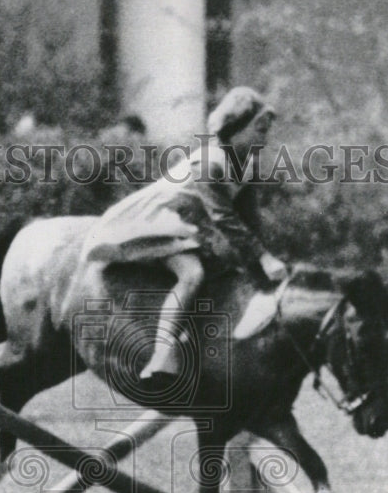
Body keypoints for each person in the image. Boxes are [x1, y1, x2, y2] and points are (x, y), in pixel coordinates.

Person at [81, 87, 289, 383]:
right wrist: (264, 258)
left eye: (266, 131)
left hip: (184, 225)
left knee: (224, 272)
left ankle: (197, 343)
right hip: (155, 220)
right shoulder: (210, 161)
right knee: (191, 274)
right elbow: (224, 217)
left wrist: (264, 265)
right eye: (258, 130)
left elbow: (250, 221)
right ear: (236, 127)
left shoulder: (247, 166)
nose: (264, 139)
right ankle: (161, 355)